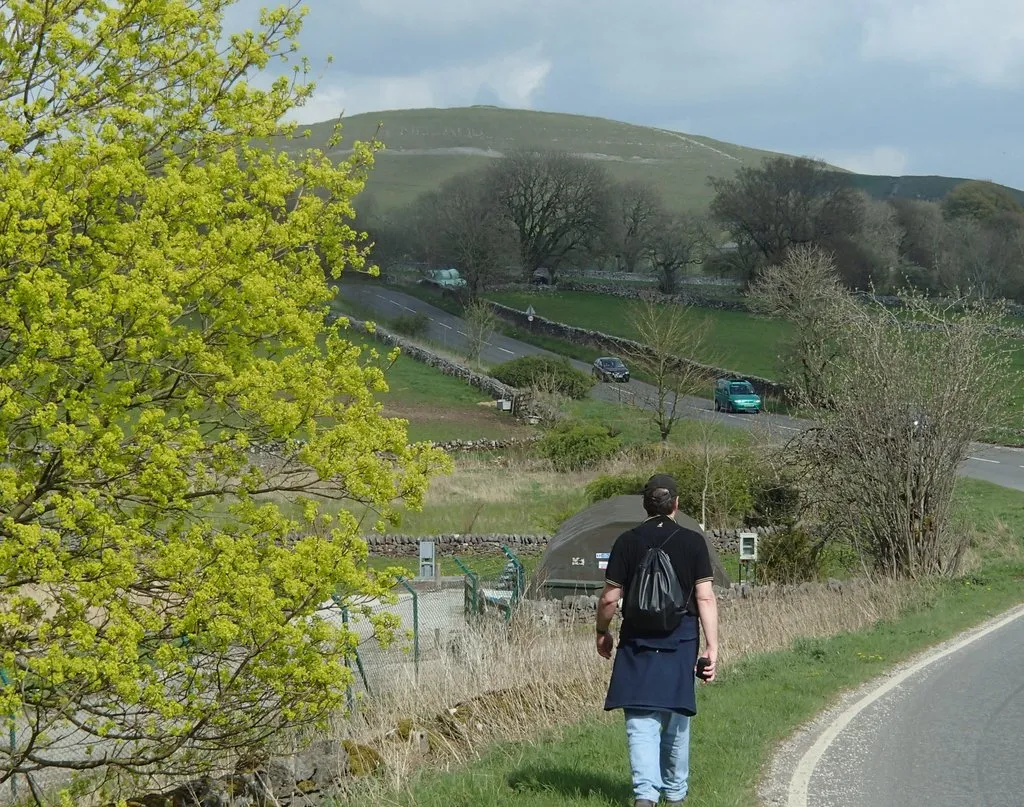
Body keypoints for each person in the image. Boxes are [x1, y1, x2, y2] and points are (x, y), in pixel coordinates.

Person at [595, 473, 719, 807]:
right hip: (681, 639)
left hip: (637, 640)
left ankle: (645, 796)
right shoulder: (693, 542)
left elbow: (609, 599)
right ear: (676, 503)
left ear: (645, 505)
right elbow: (705, 598)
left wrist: (602, 632)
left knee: (640, 719)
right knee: (676, 717)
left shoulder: (627, 541)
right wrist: (712, 647)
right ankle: (676, 795)